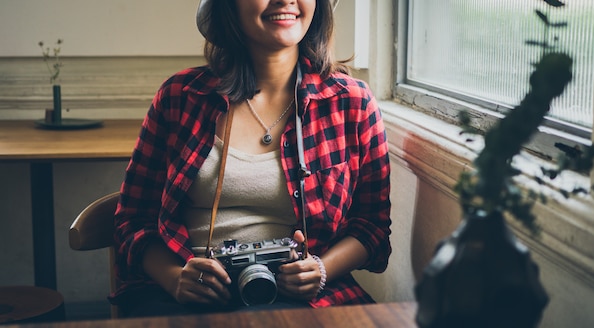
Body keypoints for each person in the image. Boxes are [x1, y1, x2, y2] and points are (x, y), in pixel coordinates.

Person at [110, 0, 392, 317]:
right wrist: (175, 279)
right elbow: (132, 219)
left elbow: (372, 227)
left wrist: (320, 269)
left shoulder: (351, 102)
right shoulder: (180, 96)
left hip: (303, 300)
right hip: (187, 296)